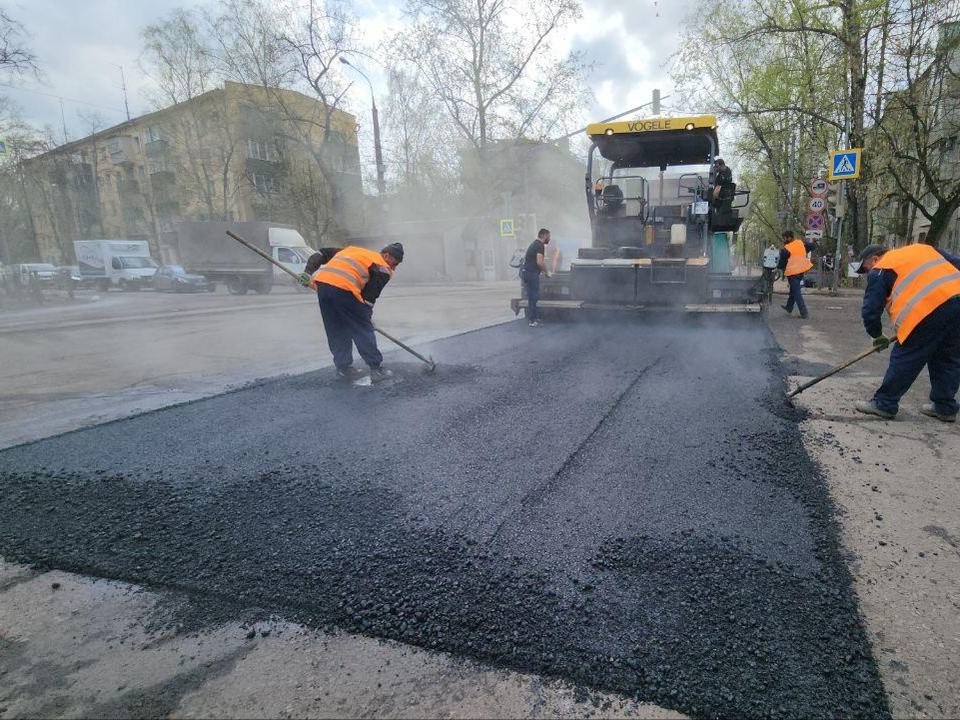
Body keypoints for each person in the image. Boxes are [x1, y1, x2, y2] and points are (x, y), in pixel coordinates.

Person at [852, 243, 960, 421]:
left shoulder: (880, 269)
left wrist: (877, 335)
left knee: (907, 355)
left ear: (875, 258)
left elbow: (871, 311)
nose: (867, 273)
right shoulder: (922, 249)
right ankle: (945, 407)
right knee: (948, 357)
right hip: (957, 301)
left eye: (866, 268)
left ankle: (884, 403)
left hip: (927, 308)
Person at [301, 243, 404, 383]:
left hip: (323, 287)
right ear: (387, 255)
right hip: (345, 290)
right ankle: (376, 369)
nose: (394, 268)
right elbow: (368, 298)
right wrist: (366, 319)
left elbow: (321, 253)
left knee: (336, 328)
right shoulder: (382, 267)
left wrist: (307, 272)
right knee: (362, 329)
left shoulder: (352, 251)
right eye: (395, 263)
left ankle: (344, 370)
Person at [778, 230, 815, 319]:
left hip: (793, 272)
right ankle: (789, 307)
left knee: (796, 292)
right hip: (801, 271)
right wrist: (814, 242)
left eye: (785, 238)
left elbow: (781, 263)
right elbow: (811, 246)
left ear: (789, 237)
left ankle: (804, 313)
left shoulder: (786, 249)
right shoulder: (800, 243)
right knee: (793, 290)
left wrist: (779, 267)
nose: (784, 240)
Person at [521, 228, 551, 327]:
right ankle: (533, 320)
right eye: (549, 237)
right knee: (533, 297)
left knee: (533, 297)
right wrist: (547, 272)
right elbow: (539, 262)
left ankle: (534, 318)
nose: (549, 239)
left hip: (527, 273)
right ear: (545, 236)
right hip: (531, 274)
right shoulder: (539, 245)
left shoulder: (534, 244)